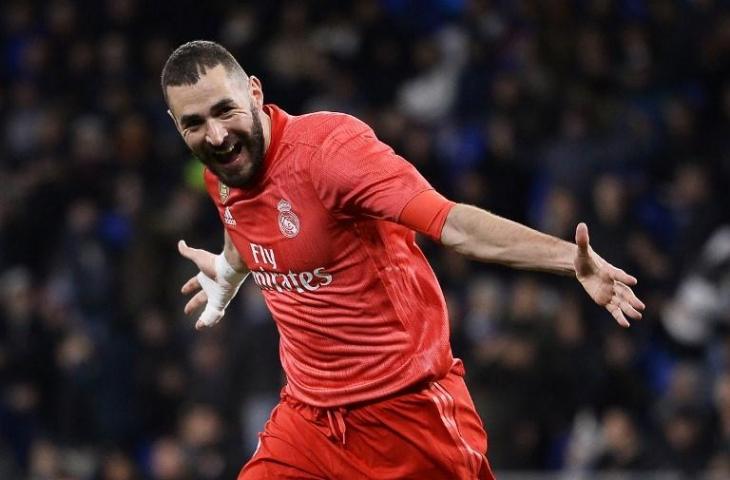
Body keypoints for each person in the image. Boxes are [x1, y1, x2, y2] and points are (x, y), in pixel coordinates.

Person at [161, 41, 645, 480]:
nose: (218, 135)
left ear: (254, 91)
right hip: (308, 420)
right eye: (195, 123)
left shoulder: (330, 154)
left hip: (406, 416)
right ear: (175, 122)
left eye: (225, 111)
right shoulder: (223, 174)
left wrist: (567, 259)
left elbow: (452, 224)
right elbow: (246, 227)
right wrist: (226, 275)